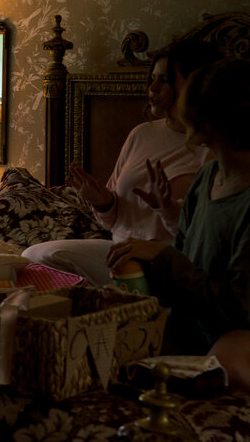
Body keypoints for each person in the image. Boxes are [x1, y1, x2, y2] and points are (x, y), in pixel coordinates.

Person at [21, 39, 221, 285]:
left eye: (165, 80)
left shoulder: (214, 149)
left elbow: (205, 235)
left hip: (167, 259)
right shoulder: (141, 134)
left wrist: (166, 207)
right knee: (34, 256)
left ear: (194, 86)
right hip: (117, 249)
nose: (153, 87)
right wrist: (104, 203)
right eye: (153, 78)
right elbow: (112, 220)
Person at [105, 58, 250, 389]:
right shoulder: (207, 178)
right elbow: (185, 263)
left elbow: (239, 309)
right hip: (193, 320)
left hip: (236, 331)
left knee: (225, 359)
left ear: (211, 120)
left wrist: (160, 256)